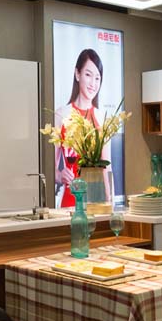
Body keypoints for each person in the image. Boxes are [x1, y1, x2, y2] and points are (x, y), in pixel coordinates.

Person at [54, 48, 110, 208]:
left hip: (96, 200)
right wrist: (59, 174)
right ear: (77, 74)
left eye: (97, 78)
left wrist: (109, 202)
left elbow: (106, 168)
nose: (93, 83)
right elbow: (51, 167)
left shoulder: (102, 118)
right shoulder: (61, 115)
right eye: (88, 75)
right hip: (70, 200)